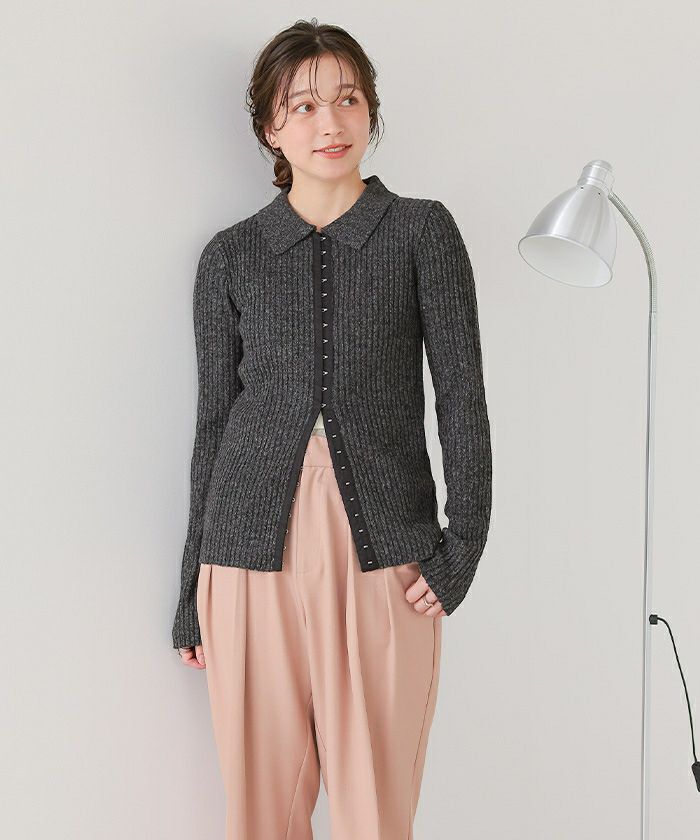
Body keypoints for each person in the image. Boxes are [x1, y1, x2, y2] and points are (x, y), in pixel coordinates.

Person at [172, 17, 492, 840]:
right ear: (269, 129)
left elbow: (462, 397)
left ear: (371, 110)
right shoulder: (230, 257)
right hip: (244, 555)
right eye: (304, 106)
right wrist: (189, 593)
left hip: (384, 550)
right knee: (262, 816)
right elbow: (213, 425)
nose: (330, 123)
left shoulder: (422, 231)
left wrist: (462, 547)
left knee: (375, 813)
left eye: (348, 100)